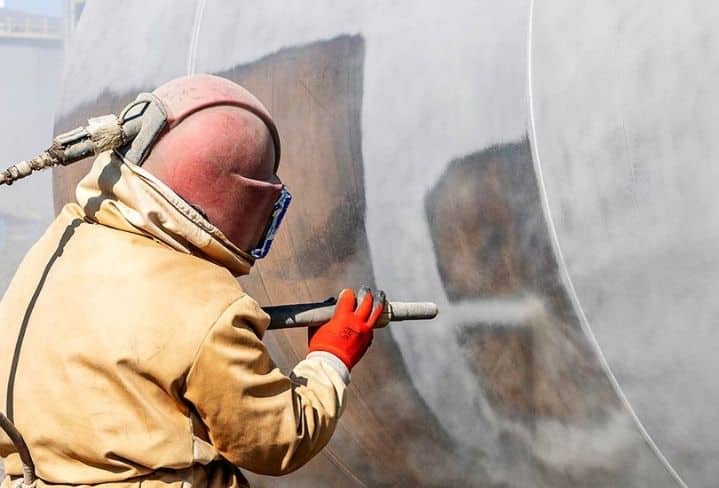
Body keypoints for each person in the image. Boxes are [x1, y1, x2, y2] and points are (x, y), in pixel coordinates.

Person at [0, 74, 385, 488]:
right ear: (241, 202)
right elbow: (274, 441)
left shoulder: (62, 241)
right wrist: (330, 358)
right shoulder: (208, 305)